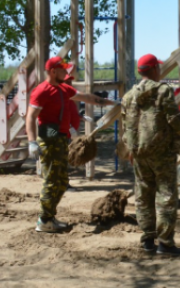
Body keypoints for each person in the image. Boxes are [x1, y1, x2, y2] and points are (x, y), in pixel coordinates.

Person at [26, 56, 118, 233]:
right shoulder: (42, 91)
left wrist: (111, 103)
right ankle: (44, 220)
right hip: (48, 139)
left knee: (61, 182)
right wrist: (32, 142)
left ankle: (49, 217)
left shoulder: (63, 88)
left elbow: (87, 97)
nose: (66, 72)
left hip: (59, 139)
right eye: (63, 69)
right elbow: (30, 117)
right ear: (53, 71)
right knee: (52, 181)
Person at [122, 54, 180, 255]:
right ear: (155, 69)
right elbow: (173, 118)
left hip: (139, 153)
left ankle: (148, 239)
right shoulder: (163, 91)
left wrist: (130, 148)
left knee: (143, 195)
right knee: (166, 195)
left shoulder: (128, 96)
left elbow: (126, 125)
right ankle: (165, 243)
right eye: (159, 68)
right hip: (162, 152)